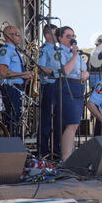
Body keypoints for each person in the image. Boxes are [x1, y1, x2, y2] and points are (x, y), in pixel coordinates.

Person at [49, 26, 89, 161]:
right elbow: (65, 71)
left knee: (76, 123)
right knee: (71, 123)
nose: (72, 39)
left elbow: (85, 69)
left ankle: (68, 156)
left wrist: (86, 74)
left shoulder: (76, 53)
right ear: (60, 38)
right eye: (68, 36)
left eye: (73, 36)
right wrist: (74, 55)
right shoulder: (59, 53)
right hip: (66, 86)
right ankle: (66, 158)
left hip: (79, 86)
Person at [0, 26, 32, 137]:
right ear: (8, 36)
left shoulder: (16, 51)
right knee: (12, 118)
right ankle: (10, 147)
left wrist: (24, 78)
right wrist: (22, 74)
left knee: (18, 119)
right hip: (9, 88)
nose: (20, 37)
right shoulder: (4, 50)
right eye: (17, 34)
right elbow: (2, 72)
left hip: (17, 88)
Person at [37, 23, 58, 157]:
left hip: (59, 86)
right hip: (49, 86)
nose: (58, 36)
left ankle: (56, 150)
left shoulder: (59, 49)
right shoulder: (44, 49)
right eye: (56, 33)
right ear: (47, 35)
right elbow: (40, 67)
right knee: (46, 120)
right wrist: (56, 73)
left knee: (58, 120)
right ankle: (43, 152)